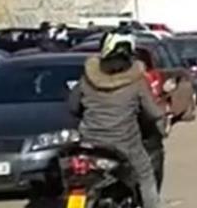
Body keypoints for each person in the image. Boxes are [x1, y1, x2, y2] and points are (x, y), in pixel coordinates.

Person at [69, 30, 164, 208]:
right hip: (125, 146)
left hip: (89, 146)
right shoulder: (137, 81)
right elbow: (152, 112)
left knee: (77, 183)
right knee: (146, 175)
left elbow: (72, 107)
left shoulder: (88, 78)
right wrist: (162, 118)